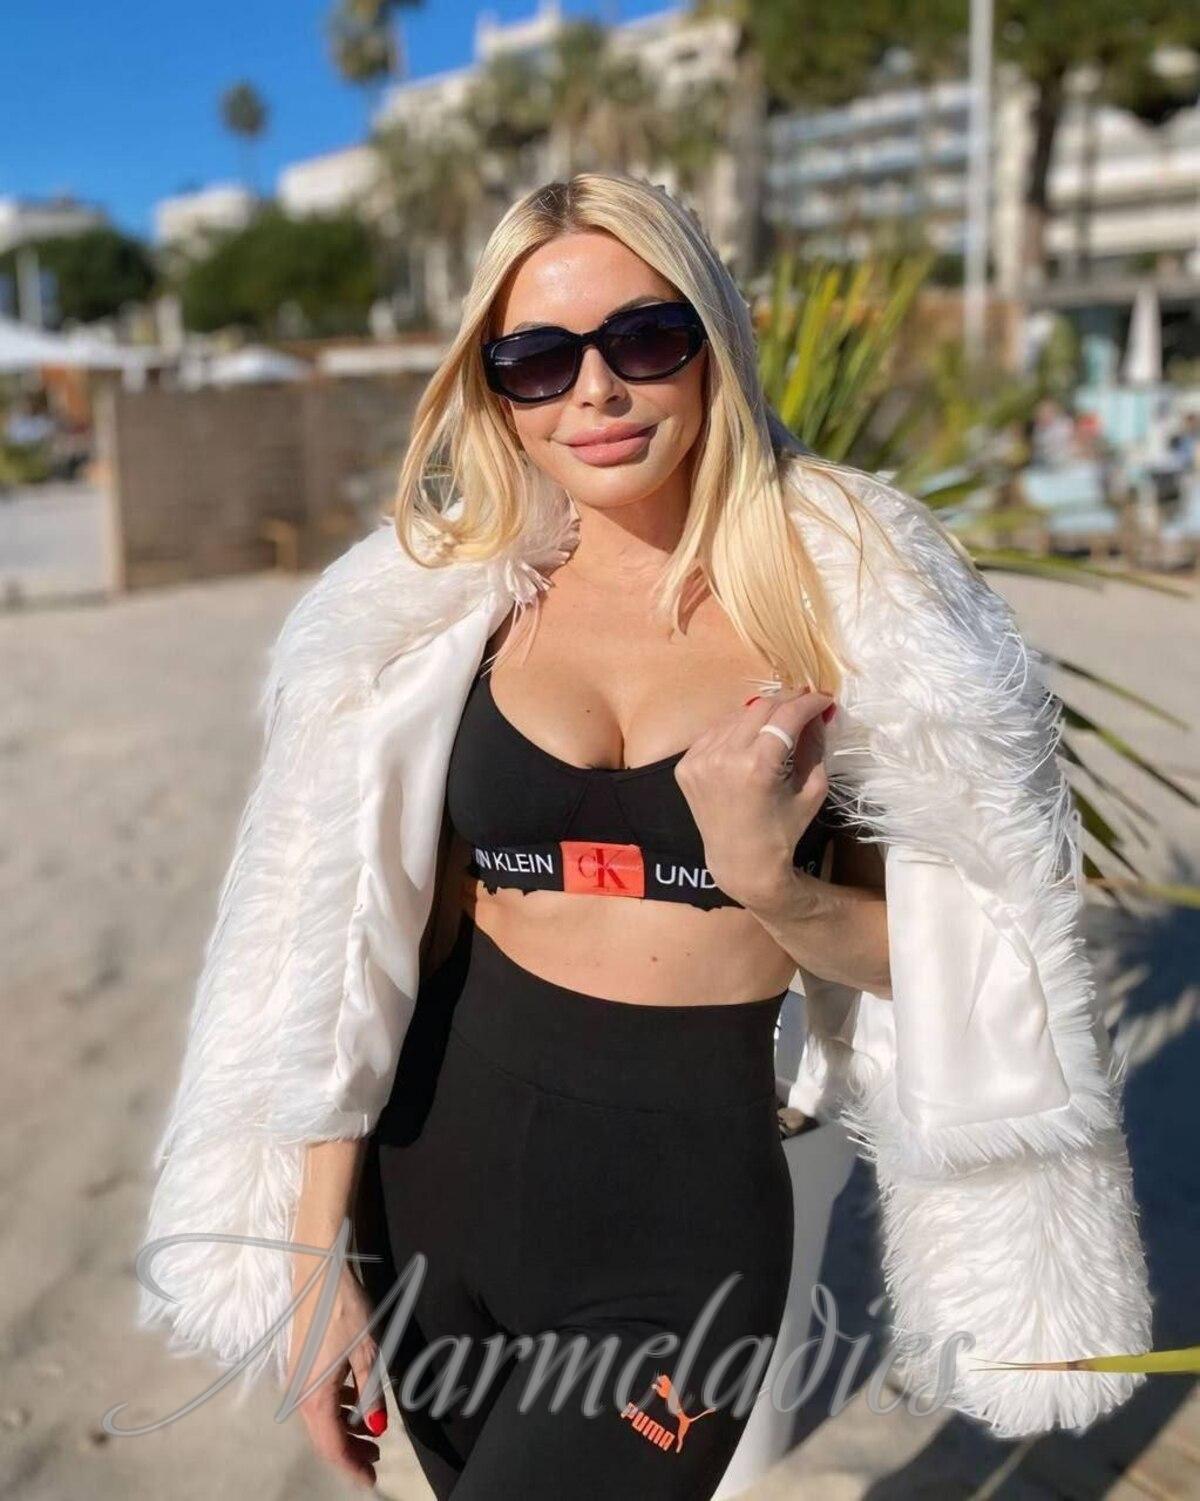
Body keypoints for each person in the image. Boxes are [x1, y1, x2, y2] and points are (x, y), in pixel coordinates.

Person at [136, 174, 1152, 1496]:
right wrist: (313, 1250)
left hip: (680, 1228)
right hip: (432, 1177)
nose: (596, 391)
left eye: (645, 337)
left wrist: (771, 885)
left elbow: (976, 954)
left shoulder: (849, 599)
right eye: (537, 359)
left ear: (712, 339)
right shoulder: (448, 606)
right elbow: (356, 941)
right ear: (495, 387)